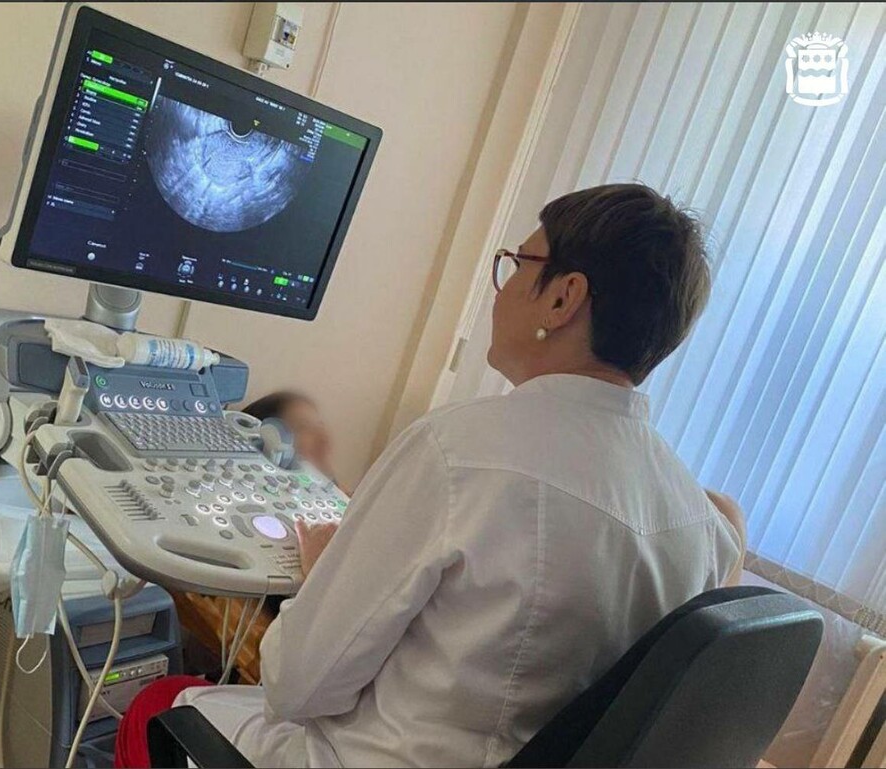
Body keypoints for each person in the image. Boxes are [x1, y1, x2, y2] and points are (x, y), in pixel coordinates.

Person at [118, 184, 745, 768]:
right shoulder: (699, 523)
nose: (500, 289)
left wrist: (321, 581)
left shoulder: (456, 452)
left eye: (516, 265)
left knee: (160, 706)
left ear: (562, 298)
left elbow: (296, 685)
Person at [170, 390, 338, 686]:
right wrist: (318, 577)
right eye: (304, 428)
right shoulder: (232, 549)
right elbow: (276, 672)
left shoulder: (342, 509)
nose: (324, 439)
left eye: (320, 426)